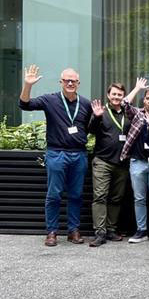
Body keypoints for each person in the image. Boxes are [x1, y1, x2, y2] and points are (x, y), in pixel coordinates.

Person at [19, 65, 92, 247]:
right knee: (54, 195)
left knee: (76, 195)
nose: (70, 83)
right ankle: (51, 232)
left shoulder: (85, 104)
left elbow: (91, 127)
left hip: (79, 154)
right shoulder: (49, 100)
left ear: (78, 83)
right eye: (66, 80)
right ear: (61, 82)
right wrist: (28, 85)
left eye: (73, 80)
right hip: (56, 153)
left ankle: (73, 230)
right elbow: (25, 104)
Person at [87, 82, 131, 247]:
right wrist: (96, 116)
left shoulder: (128, 113)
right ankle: (100, 232)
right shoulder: (101, 112)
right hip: (103, 161)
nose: (116, 97)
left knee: (116, 197)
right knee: (100, 196)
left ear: (123, 96)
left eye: (119, 95)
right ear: (108, 95)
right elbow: (90, 130)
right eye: (114, 94)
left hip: (121, 163)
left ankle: (111, 229)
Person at [120, 78, 149, 244]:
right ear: (144, 100)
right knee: (139, 198)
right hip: (137, 162)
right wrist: (137, 88)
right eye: (148, 98)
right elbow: (124, 104)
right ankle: (141, 230)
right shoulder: (137, 114)